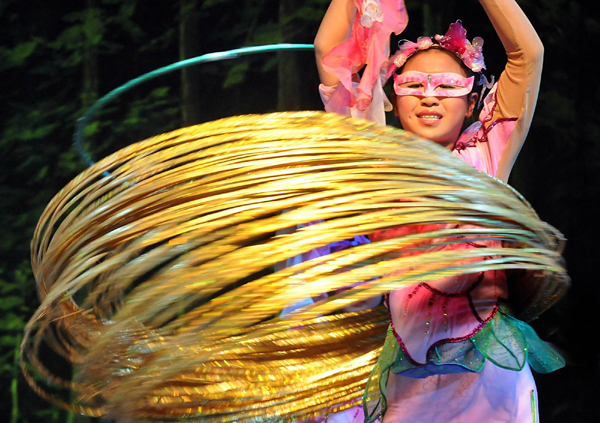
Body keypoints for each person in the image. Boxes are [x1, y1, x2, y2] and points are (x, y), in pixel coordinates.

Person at [311, 1, 565, 422]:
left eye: (447, 85)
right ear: (392, 99)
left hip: (491, 382)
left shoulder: (485, 154)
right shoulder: (378, 161)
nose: (429, 96)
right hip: (405, 382)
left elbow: (528, 54)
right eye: (414, 84)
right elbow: (329, 51)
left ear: (471, 103)